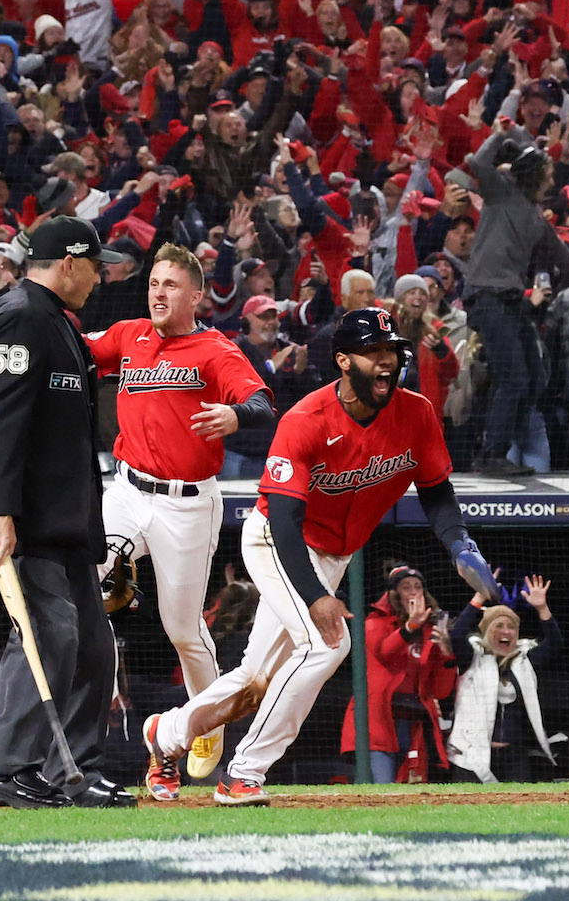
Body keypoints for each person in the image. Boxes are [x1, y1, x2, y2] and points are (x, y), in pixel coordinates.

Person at [141, 306, 500, 806]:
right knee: (328, 645)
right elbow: (285, 523)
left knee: (253, 682)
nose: (386, 362)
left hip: (333, 554)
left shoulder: (415, 412)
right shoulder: (305, 419)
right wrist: (316, 597)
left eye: (392, 352)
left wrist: (460, 543)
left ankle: (167, 733)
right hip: (278, 543)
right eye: (372, 352)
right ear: (342, 360)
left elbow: (436, 491)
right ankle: (243, 772)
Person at [85, 242, 272, 780]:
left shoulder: (215, 349)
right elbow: (74, 348)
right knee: (87, 585)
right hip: (126, 490)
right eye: (153, 284)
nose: (158, 293)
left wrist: (235, 416)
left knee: (183, 629)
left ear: (196, 295)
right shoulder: (128, 335)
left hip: (187, 504)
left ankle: (204, 724)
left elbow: (262, 403)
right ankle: (77, 726)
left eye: (170, 285)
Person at [0, 215, 136, 810]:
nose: (100, 275)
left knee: (93, 646)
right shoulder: (21, 316)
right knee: (48, 635)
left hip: (69, 525)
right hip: (29, 521)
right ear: (68, 263)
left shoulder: (57, 322)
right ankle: (3, 769)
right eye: (96, 264)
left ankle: (72, 773)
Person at [464, 127, 569, 475]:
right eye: (546, 174)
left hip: (510, 300)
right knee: (514, 378)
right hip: (487, 296)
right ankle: (491, 454)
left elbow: (561, 254)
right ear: (532, 176)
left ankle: (498, 440)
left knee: (534, 376)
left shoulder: (533, 214)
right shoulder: (500, 192)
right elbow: (478, 162)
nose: (551, 180)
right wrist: (500, 135)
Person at [342, 565, 457, 784]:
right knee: (379, 788)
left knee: (408, 795)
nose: (414, 592)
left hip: (413, 725)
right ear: (394, 595)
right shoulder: (375, 623)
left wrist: (446, 654)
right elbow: (385, 652)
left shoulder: (430, 632)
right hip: (377, 723)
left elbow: (440, 691)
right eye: (406, 587)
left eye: (418, 587)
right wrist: (410, 627)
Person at [448, 576, 563, 783]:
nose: (506, 631)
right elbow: (456, 635)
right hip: (472, 755)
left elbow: (555, 644)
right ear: (486, 631)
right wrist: (479, 598)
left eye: (511, 627)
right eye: (499, 626)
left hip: (514, 757)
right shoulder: (472, 658)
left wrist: (542, 608)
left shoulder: (525, 661)